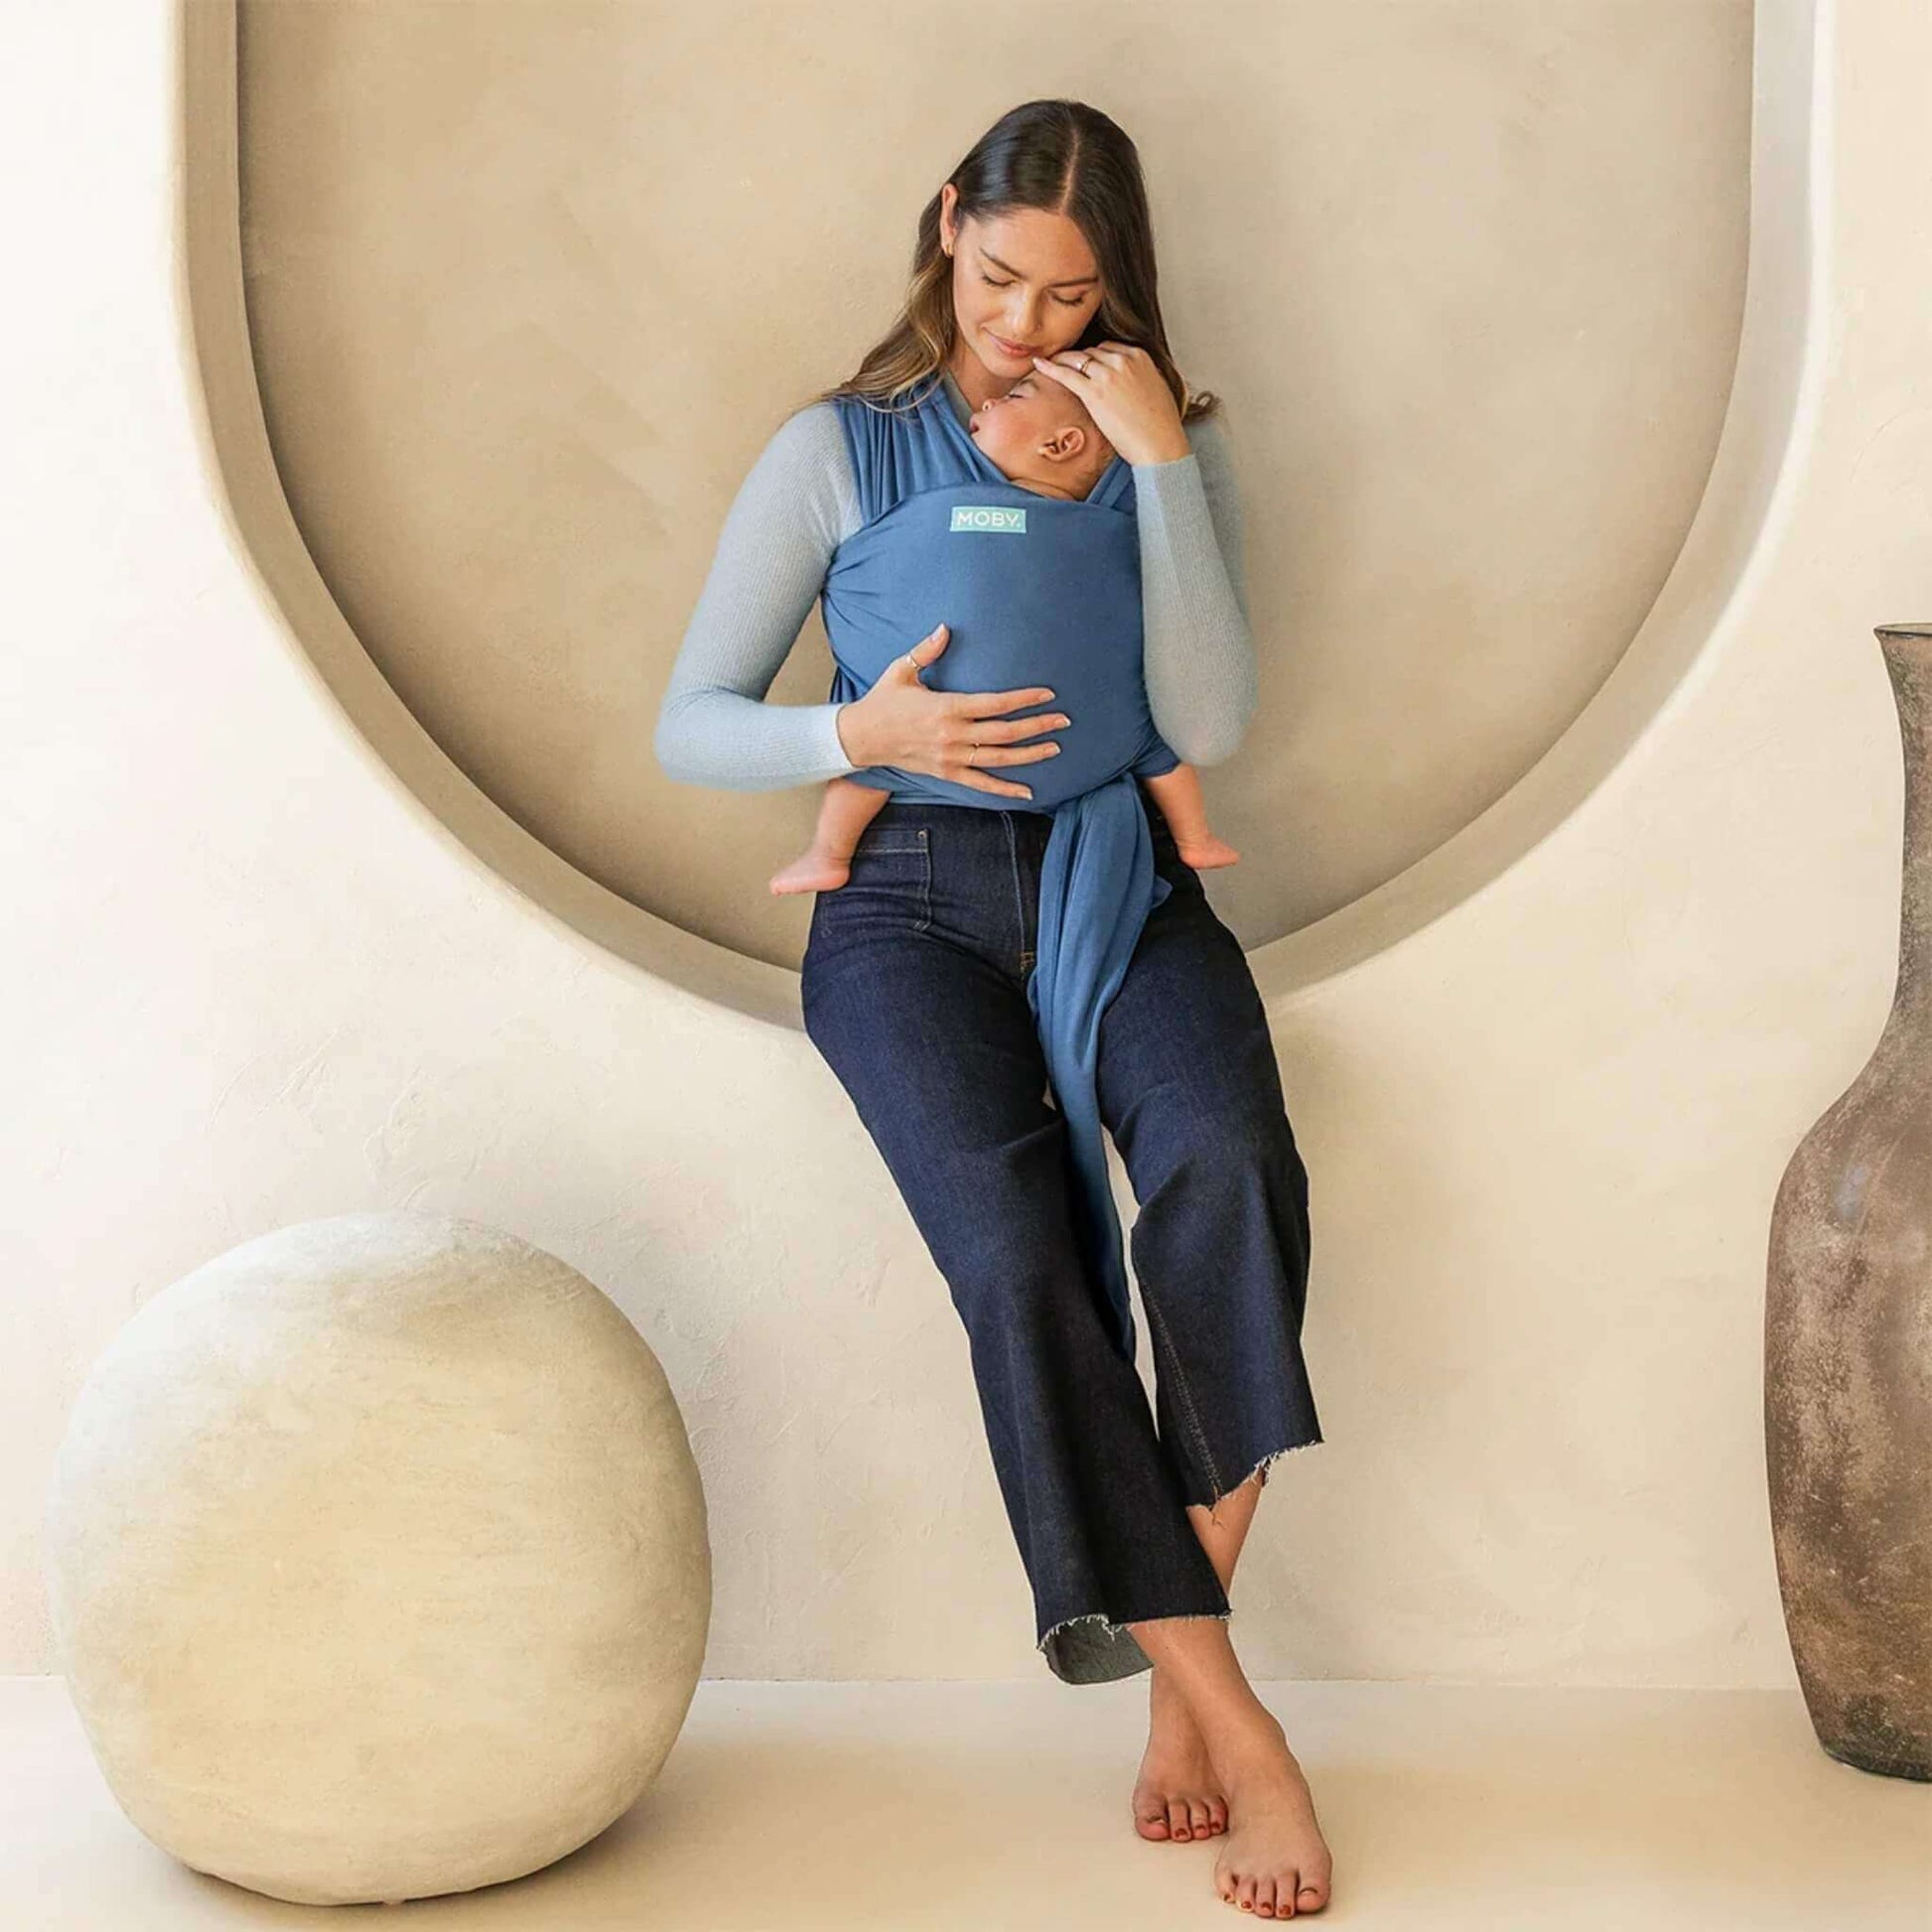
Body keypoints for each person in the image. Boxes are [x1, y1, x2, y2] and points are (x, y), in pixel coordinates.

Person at [655, 98, 1332, 1922]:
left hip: (1121, 872)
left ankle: (1178, 1668)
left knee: (1230, 1169)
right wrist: (855, 729)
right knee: (1023, 1259)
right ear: (948, 220)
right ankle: (1236, 1718)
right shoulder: (839, 447)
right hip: (903, 907)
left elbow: (1208, 718)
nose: (1026, 325)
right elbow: (690, 720)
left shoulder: (1161, 438)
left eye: (1070, 294)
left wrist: (1160, 467)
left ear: (1121, 286)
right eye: (1000, 276)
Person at [767, 368, 1239, 897]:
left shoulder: (1110, 524)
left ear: (1060, 444)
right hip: (1029, 755)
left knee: (868, 775)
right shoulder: (876, 459)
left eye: (1014, 397)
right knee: (1158, 757)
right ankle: (1195, 837)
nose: (989, 402)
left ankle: (828, 853)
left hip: (1047, 765)